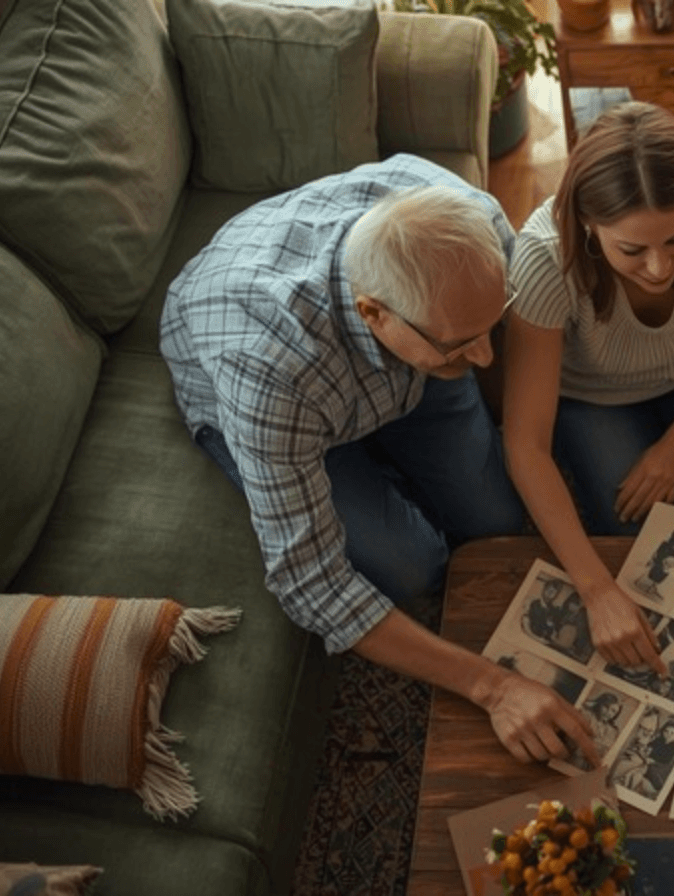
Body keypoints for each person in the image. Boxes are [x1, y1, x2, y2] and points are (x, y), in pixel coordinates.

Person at [160, 154, 594, 766]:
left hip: (407, 360)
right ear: (374, 313)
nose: (486, 359)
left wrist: (458, 352)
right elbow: (313, 583)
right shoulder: (267, 371)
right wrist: (493, 686)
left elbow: (481, 351)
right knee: (413, 566)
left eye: (488, 329)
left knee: (493, 524)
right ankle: (352, 461)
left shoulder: (476, 223)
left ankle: (398, 430)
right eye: (463, 344)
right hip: (292, 392)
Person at [504, 101, 674, 676]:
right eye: (632, 249)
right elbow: (525, 442)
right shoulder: (543, 257)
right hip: (593, 395)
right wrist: (597, 592)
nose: (658, 267)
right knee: (630, 535)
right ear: (586, 224)